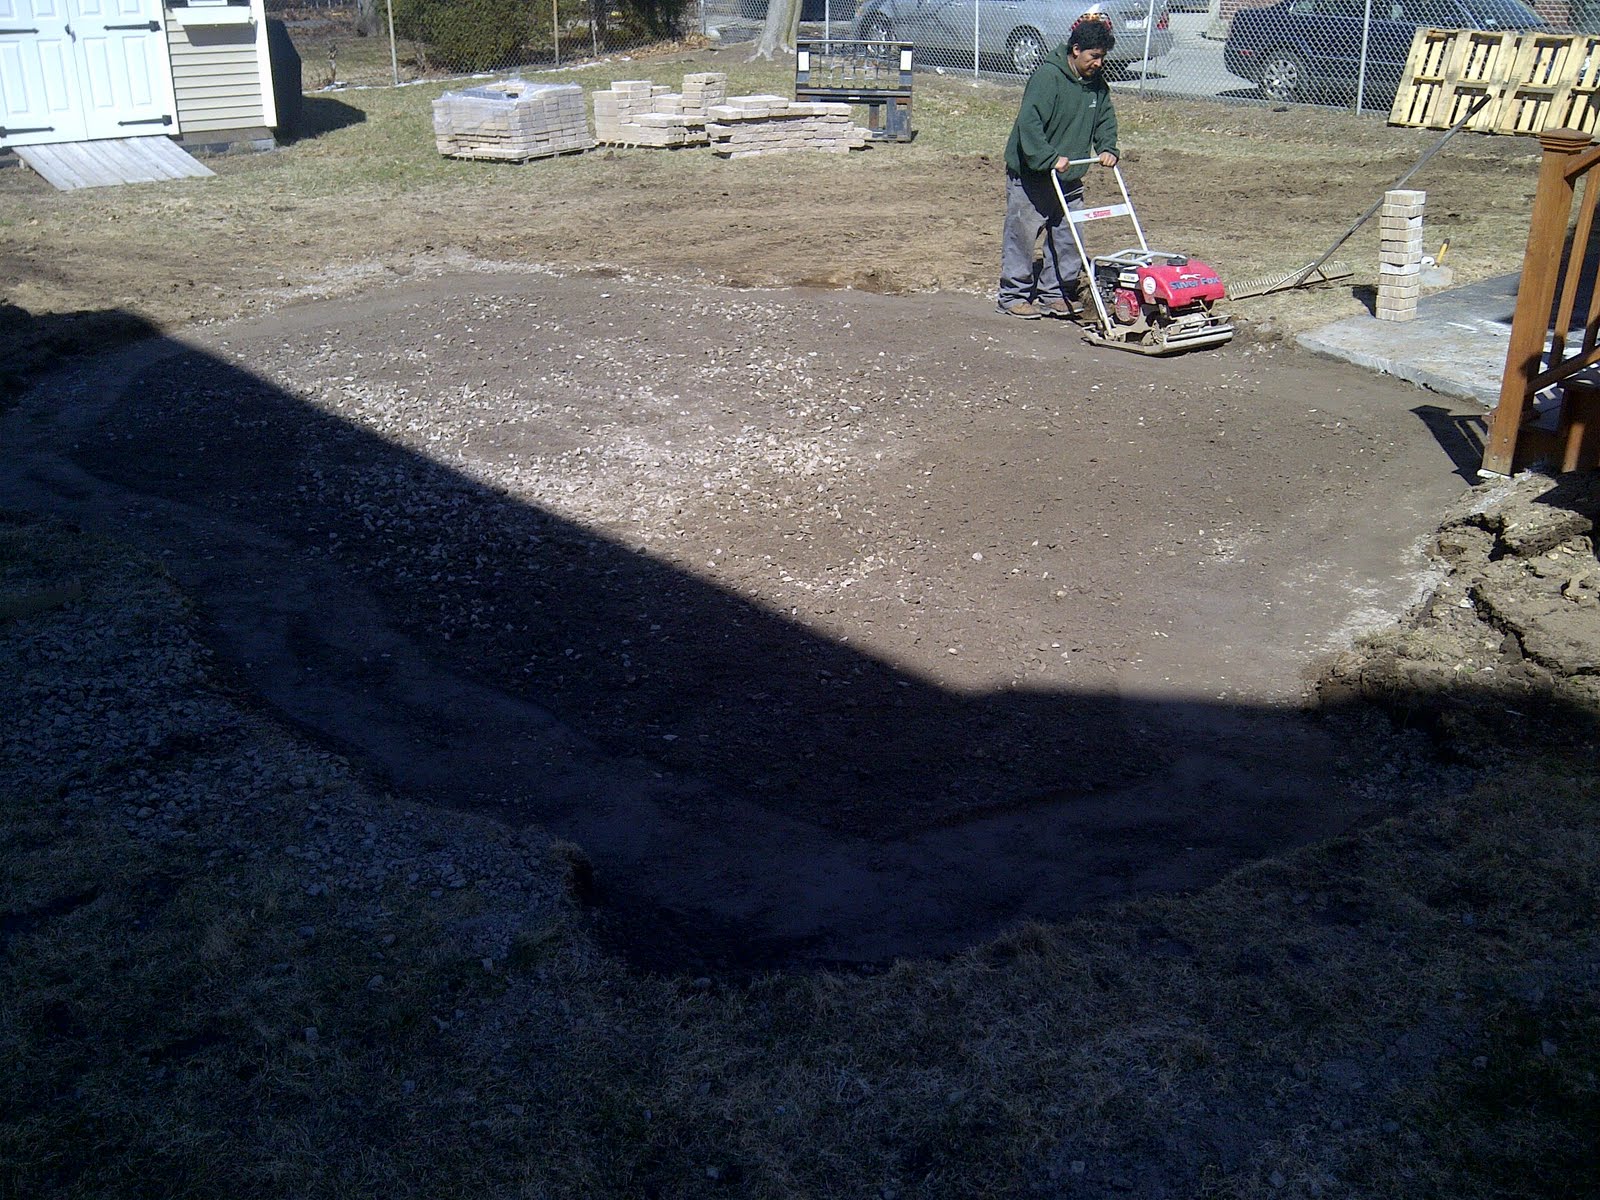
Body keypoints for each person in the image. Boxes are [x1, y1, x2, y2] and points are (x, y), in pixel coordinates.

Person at [996, 16, 1120, 320]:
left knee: (1068, 237)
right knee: (1023, 235)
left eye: (1102, 57)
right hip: (1033, 175)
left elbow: (1105, 119)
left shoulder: (1097, 87)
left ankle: (1055, 293)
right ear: (1075, 50)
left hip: (1070, 176)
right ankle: (1013, 296)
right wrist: (1049, 158)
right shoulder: (1047, 78)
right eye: (1094, 56)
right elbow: (1030, 124)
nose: (1099, 63)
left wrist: (1107, 148)